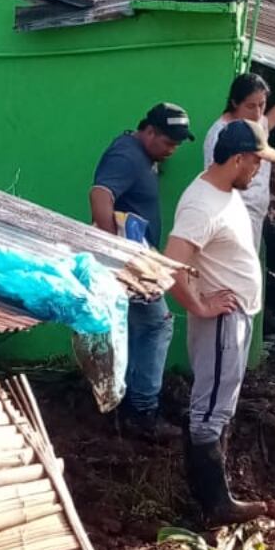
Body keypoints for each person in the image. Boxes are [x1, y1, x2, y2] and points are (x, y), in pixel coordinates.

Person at [164, 119, 275, 524]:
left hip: (237, 315)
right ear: (236, 159)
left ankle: (216, 494)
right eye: (255, 162)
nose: (259, 170)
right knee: (209, 410)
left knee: (219, 405)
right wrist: (198, 305)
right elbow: (172, 262)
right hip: (222, 321)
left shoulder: (222, 189)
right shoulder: (201, 204)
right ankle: (214, 504)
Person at [88, 103, 195, 440]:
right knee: (158, 324)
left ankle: (124, 405)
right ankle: (143, 411)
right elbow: (100, 195)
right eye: (167, 142)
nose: (172, 150)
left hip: (137, 259)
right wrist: (114, 253)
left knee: (133, 330)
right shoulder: (127, 155)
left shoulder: (141, 156)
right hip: (131, 263)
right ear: (149, 131)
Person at [202, 71, 275, 247]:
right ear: (234, 103)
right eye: (251, 106)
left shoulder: (255, 122)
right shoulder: (220, 135)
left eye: (262, 105)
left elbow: (268, 122)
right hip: (235, 215)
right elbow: (218, 180)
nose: (257, 112)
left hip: (256, 215)